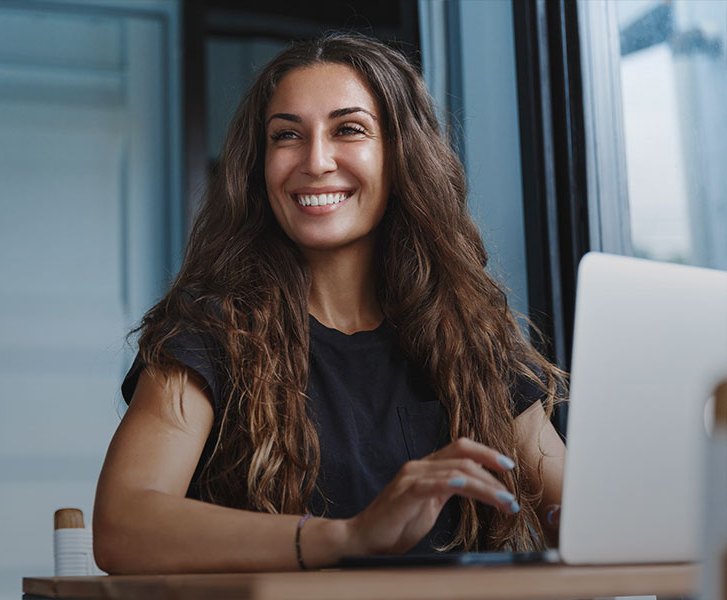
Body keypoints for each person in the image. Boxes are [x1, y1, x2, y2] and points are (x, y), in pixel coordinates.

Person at [93, 32, 567, 574]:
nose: (316, 161)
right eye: (287, 136)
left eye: (349, 130)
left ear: (400, 155)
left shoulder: (469, 334)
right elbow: (122, 527)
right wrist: (350, 536)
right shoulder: (209, 330)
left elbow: (578, 514)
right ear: (259, 166)